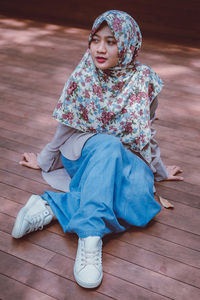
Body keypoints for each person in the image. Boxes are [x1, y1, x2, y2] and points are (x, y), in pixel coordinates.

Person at [11, 10, 183, 289]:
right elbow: (65, 127)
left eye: (111, 41)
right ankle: (90, 238)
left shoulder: (144, 81)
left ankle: (51, 206)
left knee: (143, 202)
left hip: (129, 156)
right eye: (95, 40)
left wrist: (160, 171)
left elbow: (146, 131)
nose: (100, 49)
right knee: (109, 145)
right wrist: (43, 160)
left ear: (127, 45)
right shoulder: (83, 76)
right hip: (84, 151)